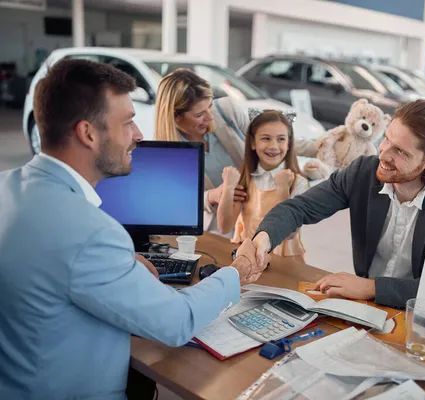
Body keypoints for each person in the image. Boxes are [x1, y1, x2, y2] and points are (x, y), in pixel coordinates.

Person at [0, 59, 266, 400]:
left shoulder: (7, 189)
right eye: (127, 123)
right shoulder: (92, 233)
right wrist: (238, 270)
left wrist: (121, 267)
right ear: (88, 133)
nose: (139, 136)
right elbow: (176, 321)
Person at [251, 100, 425, 309]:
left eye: (400, 151)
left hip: (422, 315)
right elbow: (298, 208)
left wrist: (372, 288)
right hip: (364, 308)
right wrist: (263, 238)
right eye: (386, 139)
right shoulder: (363, 172)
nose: (383, 154)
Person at [153, 69, 317, 233]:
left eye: (210, 105)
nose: (210, 116)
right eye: (200, 114)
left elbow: (267, 138)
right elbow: (174, 202)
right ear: (176, 117)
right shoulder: (166, 152)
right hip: (219, 230)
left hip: (257, 215)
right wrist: (212, 196)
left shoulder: (226, 111)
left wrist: (322, 149)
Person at [218, 110, 309, 259]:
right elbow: (224, 227)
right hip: (248, 258)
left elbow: (290, 233)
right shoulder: (245, 179)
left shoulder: (298, 183)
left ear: (289, 144)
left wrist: (282, 189)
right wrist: (228, 188)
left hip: (283, 262)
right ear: (253, 143)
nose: (274, 146)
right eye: (266, 138)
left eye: (281, 139)